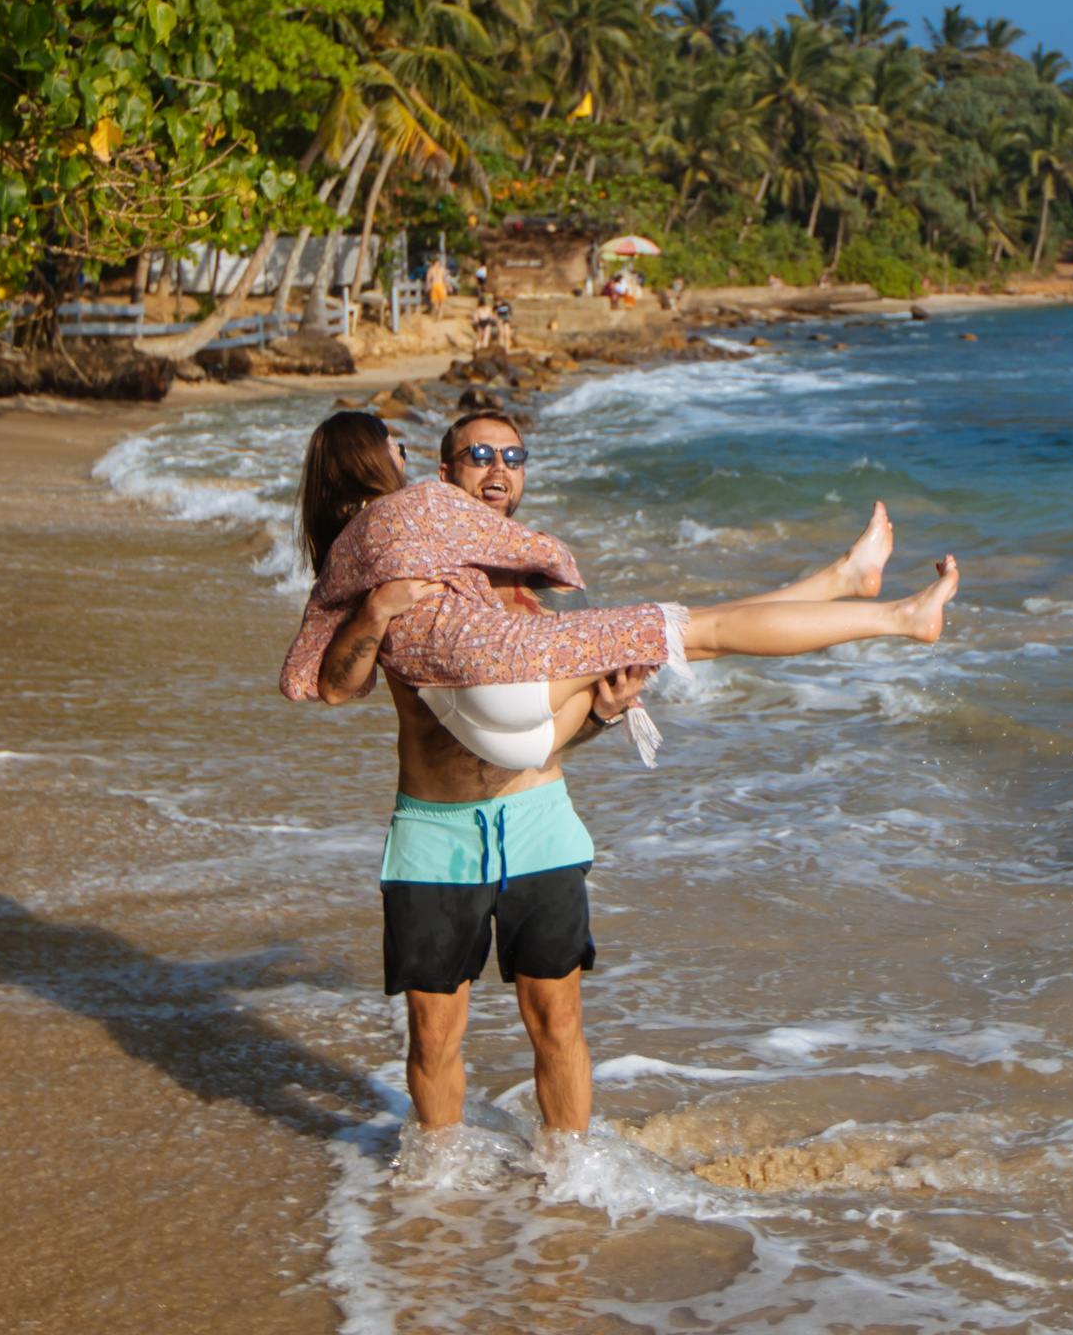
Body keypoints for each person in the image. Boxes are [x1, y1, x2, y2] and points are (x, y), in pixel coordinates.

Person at [289, 407, 954, 1143]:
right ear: (441, 476)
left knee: (558, 1022)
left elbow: (539, 736)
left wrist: (606, 715)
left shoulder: (522, 595)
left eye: (514, 457)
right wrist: (377, 611)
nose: (497, 470)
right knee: (433, 1035)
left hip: (537, 816)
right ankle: (441, 1193)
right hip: (435, 830)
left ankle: (568, 1174)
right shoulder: (415, 566)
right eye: (477, 455)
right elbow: (337, 685)